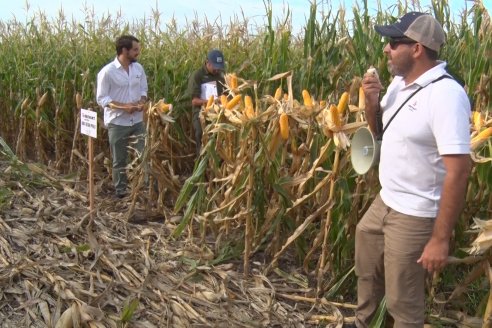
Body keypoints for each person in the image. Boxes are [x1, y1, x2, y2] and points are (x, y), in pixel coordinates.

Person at [356, 12, 471, 327]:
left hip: (416, 213)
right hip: (386, 200)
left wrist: (440, 239)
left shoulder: (446, 95)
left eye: (394, 43)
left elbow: (460, 170)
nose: (386, 50)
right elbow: (380, 132)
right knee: (367, 272)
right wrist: (372, 102)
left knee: (402, 303)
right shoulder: (396, 84)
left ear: (417, 48)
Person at [96, 35, 148, 198]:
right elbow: (102, 98)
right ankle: (121, 192)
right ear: (124, 51)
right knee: (120, 160)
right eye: (135, 50)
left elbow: (143, 90)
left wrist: (141, 101)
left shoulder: (138, 69)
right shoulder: (107, 72)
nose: (138, 53)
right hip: (118, 122)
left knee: (144, 155)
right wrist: (124, 107)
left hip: (138, 120)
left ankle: (145, 188)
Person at [187, 49, 226, 155]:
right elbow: (194, 101)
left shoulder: (221, 76)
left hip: (217, 112)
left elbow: (225, 94)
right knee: (201, 134)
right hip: (201, 113)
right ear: (207, 62)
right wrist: (212, 101)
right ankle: (200, 162)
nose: (217, 70)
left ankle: (218, 165)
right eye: (215, 67)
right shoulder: (197, 76)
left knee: (221, 136)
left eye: (219, 67)